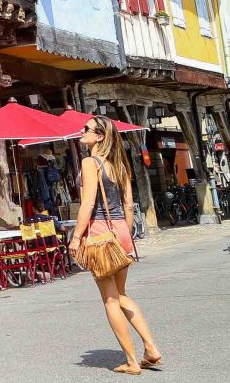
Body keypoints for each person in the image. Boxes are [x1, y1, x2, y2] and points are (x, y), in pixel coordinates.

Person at [70, 115, 162, 375]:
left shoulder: (90, 162)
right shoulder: (120, 164)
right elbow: (128, 205)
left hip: (100, 231)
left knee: (110, 299)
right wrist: (127, 234)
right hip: (121, 229)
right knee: (122, 295)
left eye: (86, 129)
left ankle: (132, 361)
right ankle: (150, 347)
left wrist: (76, 237)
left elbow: (88, 203)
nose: (82, 131)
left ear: (99, 136)